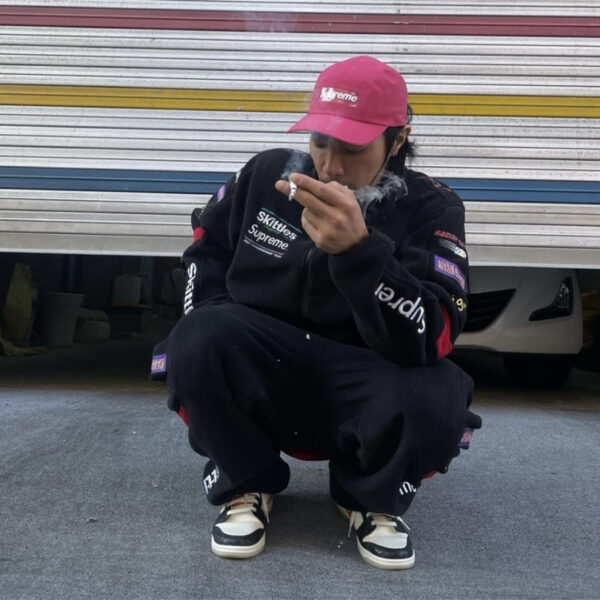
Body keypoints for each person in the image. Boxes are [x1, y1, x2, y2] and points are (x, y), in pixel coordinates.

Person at [151, 55, 481, 570]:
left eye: (353, 148)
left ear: (397, 140)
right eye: (321, 141)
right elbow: (205, 250)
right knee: (195, 340)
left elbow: (436, 332)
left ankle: (367, 498)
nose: (331, 166)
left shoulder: (432, 206)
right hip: (270, 362)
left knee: (440, 395)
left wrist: (362, 256)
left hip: (364, 370)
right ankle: (246, 482)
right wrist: (212, 328)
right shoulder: (267, 174)